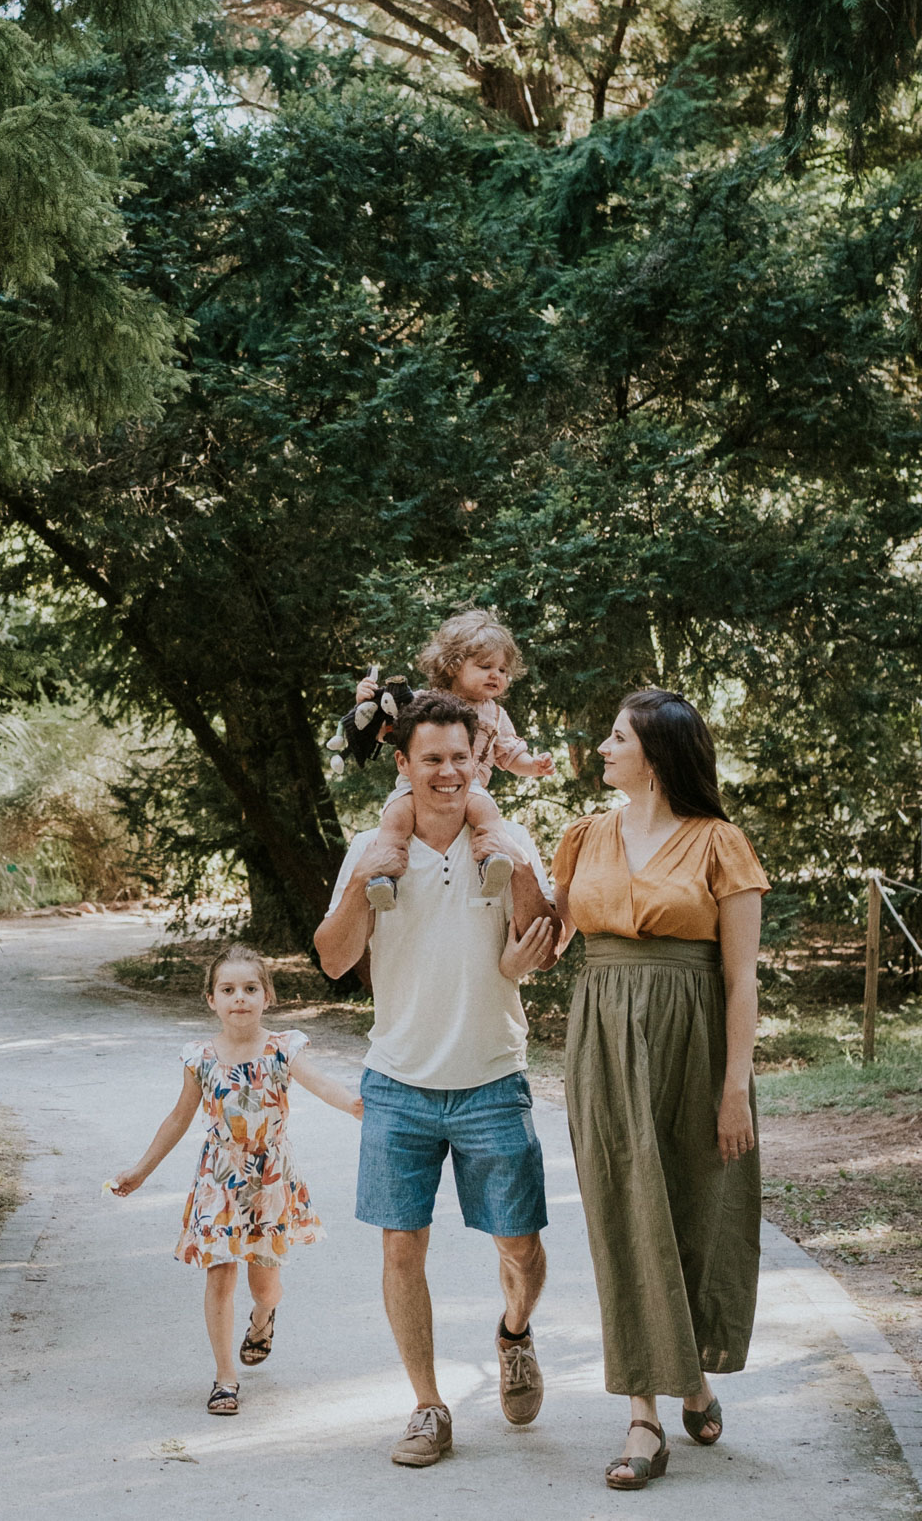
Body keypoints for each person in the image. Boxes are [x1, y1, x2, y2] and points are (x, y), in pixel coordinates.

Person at [315, 689, 561, 1468]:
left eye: (460, 757)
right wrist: (365, 880)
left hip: (492, 1075)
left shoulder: (508, 836)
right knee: (400, 1250)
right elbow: (332, 957)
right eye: (432, 758)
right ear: (403, 764)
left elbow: (543, 943)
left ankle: (515, 1332)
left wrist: (515, 868)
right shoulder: (371, 846)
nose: (448, 772)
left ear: (475, 760)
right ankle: (427, 1405)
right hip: (399, 1080)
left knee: (521, 1247)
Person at [548, 689, 768, 1491]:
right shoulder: (583, 835)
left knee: (692, 1210)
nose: (602, 747)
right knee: (621, 1213)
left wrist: (734, 1088)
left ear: (657, 752)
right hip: (603, 1039)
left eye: (617, 736)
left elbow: (742, 980)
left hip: (695, 1040)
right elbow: (544, 939)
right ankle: (643, 1411)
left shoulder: (721, 842)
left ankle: (695, 1377)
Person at [107, 945, 362, 1416]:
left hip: (268, 1182)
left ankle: (263, 1317)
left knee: (265, 1285)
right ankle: (226, 1378)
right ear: (211, 1000)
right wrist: (140, 1170)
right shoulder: (199, 1057)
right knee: (220, 1275)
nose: (239, 998)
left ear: (267, 996)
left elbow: (322, 1083)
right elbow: (179, 1118)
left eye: (250, 989)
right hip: (219, 1180)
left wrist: (352, 1103)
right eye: (228, 990)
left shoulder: (284, 1048)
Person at [353, 609, 555, 912]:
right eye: (486, 666)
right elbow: (383, 730)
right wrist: (365, 701)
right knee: (395, 818)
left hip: (470, 788)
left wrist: (533, 766)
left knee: (485, 810)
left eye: (502, 670)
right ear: (453, 665)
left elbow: (510, 755)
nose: (496, 675)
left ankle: (491, 862)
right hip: (415, 788)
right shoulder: (421, 700)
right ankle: (384, 878)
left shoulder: (496, 715)